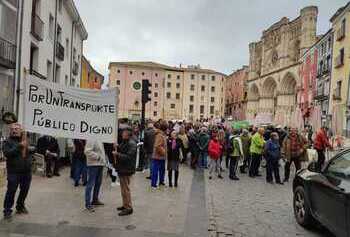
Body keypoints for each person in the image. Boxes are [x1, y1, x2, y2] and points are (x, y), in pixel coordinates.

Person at [3, 124, 32, 220]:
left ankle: (20, 206)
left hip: (26, 171)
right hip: (13, 172)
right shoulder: (7, 141)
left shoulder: (25, 139)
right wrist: (19, 146)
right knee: (11, 191)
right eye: (12, 129)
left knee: (24, 190)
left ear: (21, 130)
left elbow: (33, 149)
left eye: (16, 129)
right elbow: (7, 153)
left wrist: (30, 148)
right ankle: (7, 211)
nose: (14, 130)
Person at [114, 128, 137, 216]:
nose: (122, 134)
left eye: (123, 133)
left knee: (125, 189)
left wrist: (117, 154)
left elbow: (129, 157)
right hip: (122, 168)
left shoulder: (132, 143)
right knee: (123, 189)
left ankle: (129, 208)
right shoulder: (125, 141)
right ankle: (125, 204)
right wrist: (118, 146)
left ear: (128, 134)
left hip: (127, 169)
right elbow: (123, 149)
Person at [84, 140, 106, 212]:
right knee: (90, 184)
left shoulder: (101, 138)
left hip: (100, 164)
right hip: (93, 164)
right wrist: (98, 157)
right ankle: (88, 204)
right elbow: (87, 151)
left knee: (98, 183)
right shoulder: (92, 137)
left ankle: (95, 200)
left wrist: (103, 160)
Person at [151, 120, 168, 189]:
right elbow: (157, 146)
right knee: (155, 170)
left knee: (162, 170)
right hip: (158, 156)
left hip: (161, 157)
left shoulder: (162, 134)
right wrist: (163, 152)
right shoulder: (160, 135)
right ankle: (154, 184)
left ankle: (161, 181)